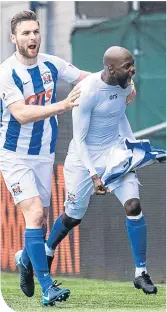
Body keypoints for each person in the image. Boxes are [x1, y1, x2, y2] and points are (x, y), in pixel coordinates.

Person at [44, 46, 158, 295]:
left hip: (114, 152)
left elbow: (120, 117)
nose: (132, 70)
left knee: (133, 206)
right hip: (83, 159)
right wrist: (94, 176)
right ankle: (47, 250)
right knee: (73, 217)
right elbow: (80, 140)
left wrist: (134, 151)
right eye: (127, 66)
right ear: (110, 68)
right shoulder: (88, 92)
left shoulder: (125, 82)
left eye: (132, 64)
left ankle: (141, 272)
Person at [0, 10, 91, 307]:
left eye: (36, 32)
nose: (33, 37)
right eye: (25, 33)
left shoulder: (52, 63)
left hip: (44, 154)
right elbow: (22, 114)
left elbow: (85, 78)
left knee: (38, 224)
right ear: (14, 38)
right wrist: (62, 105)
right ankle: (47, 287)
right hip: (15, 155)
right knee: (35, 215)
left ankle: (24, 258)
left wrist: (120, 81)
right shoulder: (7, 72)